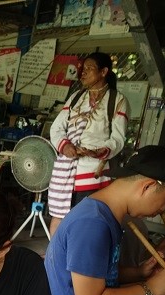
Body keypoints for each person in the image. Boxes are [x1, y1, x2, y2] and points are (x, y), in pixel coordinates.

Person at [45, 145, 165, 295]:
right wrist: (151, 288)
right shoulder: (93, 223)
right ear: (147, 186)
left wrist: (140, 273)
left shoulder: (105, 215)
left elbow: (99, 276)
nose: (164, 209)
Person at [47, 52, 129, 237]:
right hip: (65, 172)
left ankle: (75, 261)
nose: (82, 73)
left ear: (103, 72)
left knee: (85, 221)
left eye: (89, 69)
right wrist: (66, 146)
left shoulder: (118, 100)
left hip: (93, 175)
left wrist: (100, 151)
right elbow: (57, 128)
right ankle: (56, 260)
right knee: (59, 218)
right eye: (82, 69)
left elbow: (118, 138)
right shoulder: (76, 97)